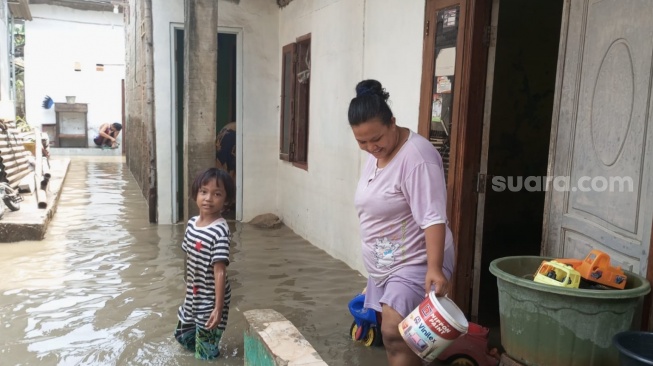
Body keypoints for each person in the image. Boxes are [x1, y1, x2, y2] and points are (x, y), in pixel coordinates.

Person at [348, 79, 456, 366]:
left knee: (394, 332)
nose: (371, 147)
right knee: (401, 336)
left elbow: (433, 217)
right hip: (388, 264)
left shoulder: (417, 158)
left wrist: (434, 267)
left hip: (417, 259)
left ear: (392, 122)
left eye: (376, 138)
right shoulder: (377, 154)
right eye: (362, 141)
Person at [174, 167, 235, 360]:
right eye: (204, 192)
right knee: (183, 336)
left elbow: (220, 272)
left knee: (205, 353)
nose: (209, 198)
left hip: (211, 299)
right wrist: (188, 289)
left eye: (217, 194)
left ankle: (210, 354)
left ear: (226, 200)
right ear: (196, 194)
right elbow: (190, 260)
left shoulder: (219, 232)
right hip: (194, 294)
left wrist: (218, 308)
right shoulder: (192, 224)